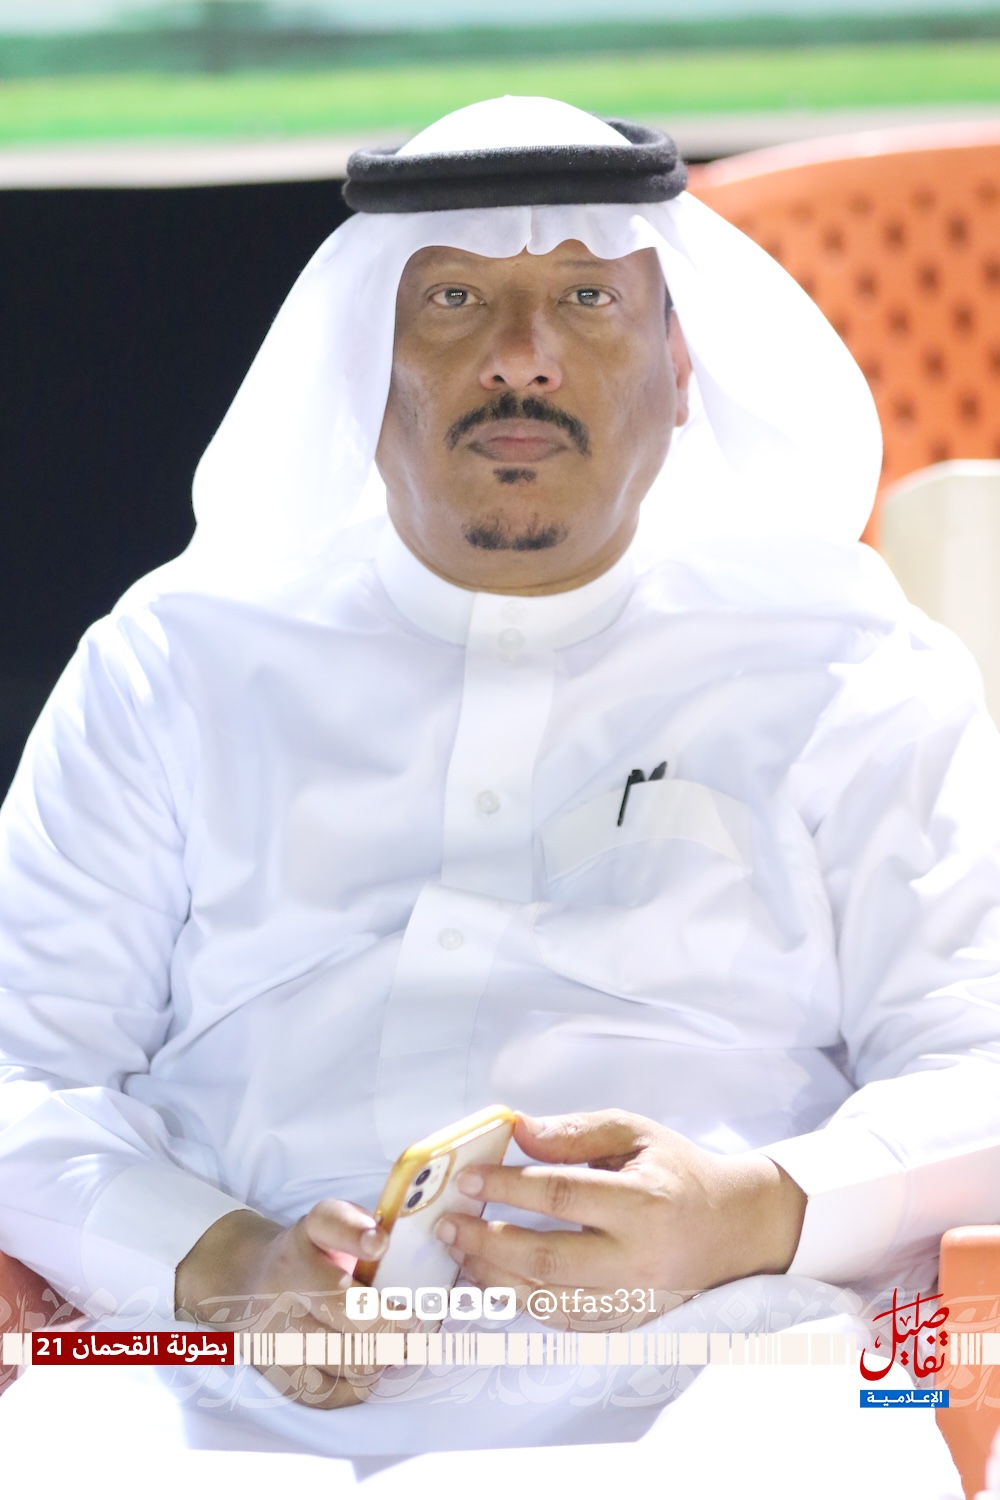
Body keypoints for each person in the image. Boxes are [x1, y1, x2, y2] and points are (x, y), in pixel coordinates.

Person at [0, 95, 996, 1494]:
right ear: (365, 364)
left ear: (679, 370)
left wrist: (750, 1212)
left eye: (588, 297)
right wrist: (220, 1261)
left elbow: (979, 1057)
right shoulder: (174, 665)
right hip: (213, 1375)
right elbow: (21, 1063)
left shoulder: (846, 667)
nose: (522, 355)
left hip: (719, 1372)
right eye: (456, 299)